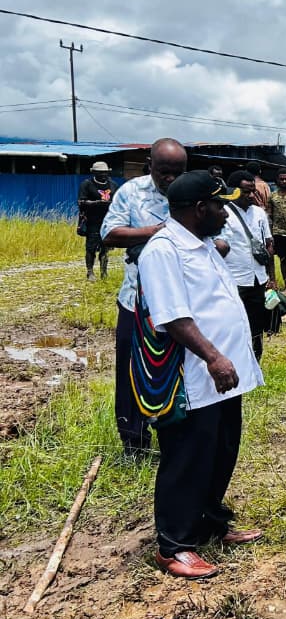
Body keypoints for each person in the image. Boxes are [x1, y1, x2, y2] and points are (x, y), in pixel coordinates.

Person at [137, 170, 264, 579]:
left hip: (224, 378)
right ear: (199, 209)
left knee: (221, 451)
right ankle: (174, 546)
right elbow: (173, 316)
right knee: (187, 458)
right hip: (194, 377)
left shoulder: (203, 243)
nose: (227, 212)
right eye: (220, 205)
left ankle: (210, 523)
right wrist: (213, 357)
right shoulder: (163, 251)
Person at [101, 138, 188, 457]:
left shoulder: (193, 193)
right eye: (164, 171)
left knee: (179, 369)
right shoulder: (131, 192)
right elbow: (109, 233)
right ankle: (133, 441)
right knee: (131, 370)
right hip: (137, 301)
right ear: (150, 166)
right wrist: (157, 232)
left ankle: (175, 436)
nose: (171, 179)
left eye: (178, 172)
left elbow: (219, 241)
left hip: (181, 302)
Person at [218, 171, 275, 360]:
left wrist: (272, 278)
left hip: (258, 279)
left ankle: (255, 360)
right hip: (235, 280)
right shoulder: (223, 213)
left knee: (257, 324)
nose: (251, 196)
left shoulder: (259, 213)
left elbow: (269, 244)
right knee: (235, 324)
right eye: (246, 192)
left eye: (253, 191)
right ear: (234, 191)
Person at [78, 161, 118, 280]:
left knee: (105, 247)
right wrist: (96, 203)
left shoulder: (113, 185)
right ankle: (90, 272)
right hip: (92, 221)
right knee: (91, 248)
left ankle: (104, 272)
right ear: (94, 173)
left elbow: (118, 202)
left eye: (105, 172)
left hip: (108, 221)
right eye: (100, 172)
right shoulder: (87, 184)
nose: (103, 175)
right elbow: (81, 202)